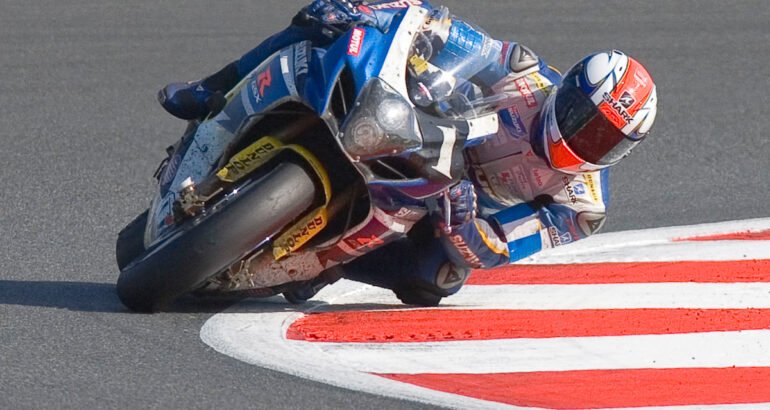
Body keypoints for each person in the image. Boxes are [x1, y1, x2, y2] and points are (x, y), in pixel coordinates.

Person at [158, 0, 658, 306]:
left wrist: (464, 224)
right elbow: (441, 30)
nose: (583, 139)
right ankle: (210, 89)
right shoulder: (524, 75)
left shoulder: (581, 208)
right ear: (566, 91)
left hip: (445, 204)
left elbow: (497, 250)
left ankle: (327, 265)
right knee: (325, 24)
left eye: (604, 139)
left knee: (438, 279)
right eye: (581, 119)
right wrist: (372, 12)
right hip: (425, 126)